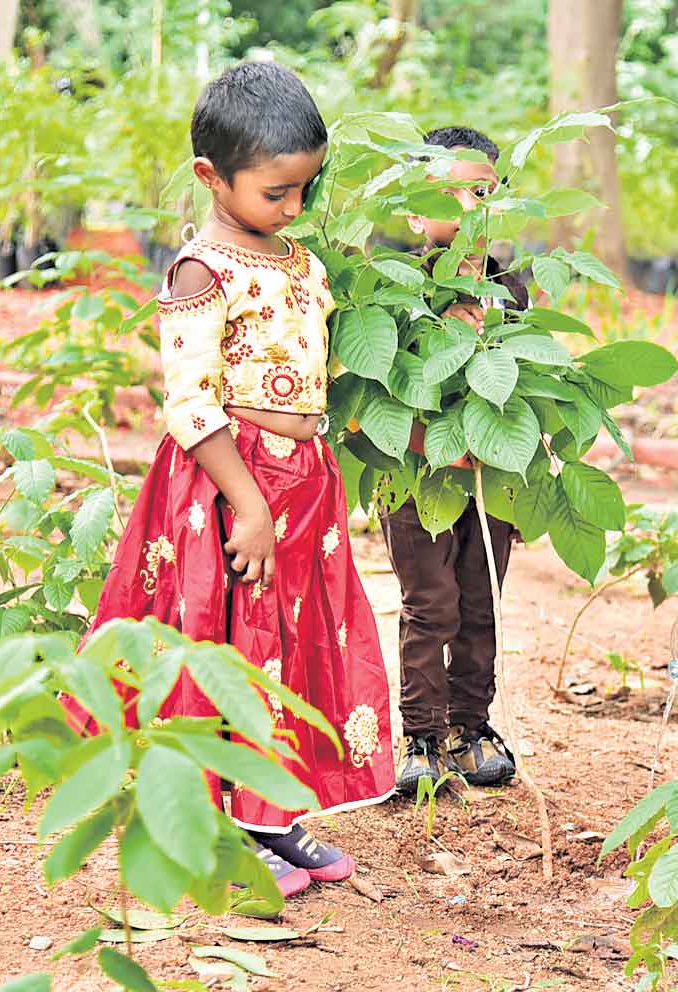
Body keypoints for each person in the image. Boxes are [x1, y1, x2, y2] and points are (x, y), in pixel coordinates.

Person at [76, 62, 395, 898]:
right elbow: (189, 402)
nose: (293, 209)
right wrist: (247, 502)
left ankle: (265, 809)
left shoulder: (297, 260)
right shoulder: (200, 272)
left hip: (301, 486)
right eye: (275, 192)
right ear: (210, 178)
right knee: (224, 645)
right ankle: (213, 826)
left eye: (304, 191)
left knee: (286, 644)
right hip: (229, 485)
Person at [381, 125, 529, 796]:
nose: (472, 208)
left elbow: (534, 390)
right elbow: (380, 389)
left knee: (480, 598)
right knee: (430, 602)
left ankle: (471, 725)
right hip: (417, 474)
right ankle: (420, 732)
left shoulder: (514, 292)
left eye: (485, 193)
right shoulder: (399, 291)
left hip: (490, 476)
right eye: (452, 194)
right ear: (415, 210)